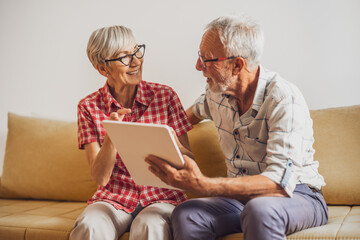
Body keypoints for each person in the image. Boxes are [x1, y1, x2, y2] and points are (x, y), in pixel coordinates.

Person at [145, 15, 328, 240]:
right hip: (240, 200)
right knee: (187, 213)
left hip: (296, 195)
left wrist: (206, 185)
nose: (197, 66)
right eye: (198, 56)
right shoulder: (217, 93)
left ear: (237, 65)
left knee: (260, 210)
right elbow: (188, 116)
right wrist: (160, 135)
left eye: (206, 59)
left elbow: (279, 183)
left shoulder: (283, 98)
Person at [71, 25, 192, 240]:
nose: (136, 61)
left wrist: (174, 146)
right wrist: (112, 135)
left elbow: (190, 160)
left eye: (137, 51)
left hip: (162, 197)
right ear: (103, 69)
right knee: (90, 225)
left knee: (149, 224)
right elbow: (99, 177)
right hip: (113, 198)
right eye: (124, 57)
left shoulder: (165, 96)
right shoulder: (88, 107)